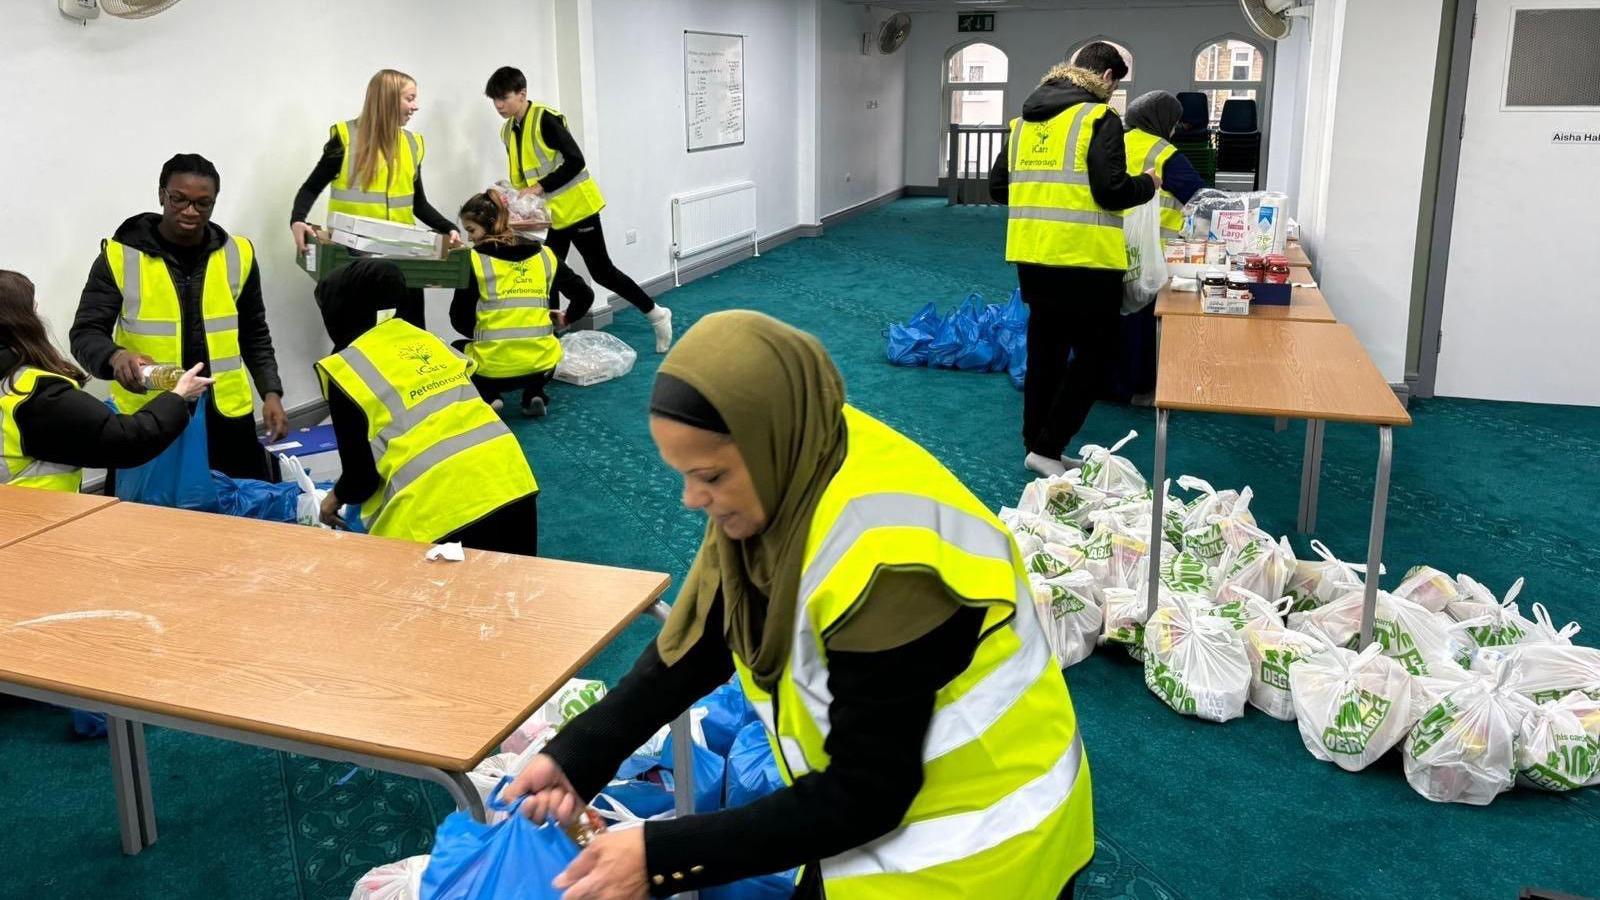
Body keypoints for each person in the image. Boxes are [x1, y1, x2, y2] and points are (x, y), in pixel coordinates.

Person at [504, 311, 1093, 900]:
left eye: (707, 475)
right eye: (683, 475)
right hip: (881, 830)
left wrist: (662, 857)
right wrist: (580, 752)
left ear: (766, 441)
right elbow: (715, 632)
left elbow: (867, 794)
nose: (690, 499)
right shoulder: (789, 459)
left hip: (982, 850)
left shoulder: (889, 563)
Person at [989, 42, 1157, 478]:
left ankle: (1038, 448)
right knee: (1097, 357)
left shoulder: (1022, 121)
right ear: (1106, 78)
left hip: (1033, 255)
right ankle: (1050, 444)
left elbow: (997, 189)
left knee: (1046, 352)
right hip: (1086, 260)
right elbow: (1112, 191)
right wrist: (1148, 184)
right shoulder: (1098, 117)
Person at [71, 153, 285, 482]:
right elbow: (85, 334)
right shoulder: (119, 257)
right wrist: (116, 357)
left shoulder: (237, 255)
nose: (189, 211)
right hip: (151, 415)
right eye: (179, 199)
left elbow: (254, 331)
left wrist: (271, 392)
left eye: (203, 204)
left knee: (236, 515)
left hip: (224, 415)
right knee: (147, 519)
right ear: (161, 195)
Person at [312, 259, 539, 555]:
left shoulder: (346, 371)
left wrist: (333, 499)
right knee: (518, 594)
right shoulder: (429, 342)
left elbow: (361, 481)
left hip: (436, 515)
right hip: (512, 485)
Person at [484, 65, 674, 353]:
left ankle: (656, 314)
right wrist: (512, 196)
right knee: (548, 275)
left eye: (503, 98)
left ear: (522, 94)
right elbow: (524, 176)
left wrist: (539, 187)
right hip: (550, 217)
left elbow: (576, 161)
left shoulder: (544, 119)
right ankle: (552, 342)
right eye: (494, 100)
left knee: (602, 272)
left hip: (578, 209)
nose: (498, 105)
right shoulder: (508, 130)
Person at [2, 270, 212, 492]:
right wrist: (177, 397)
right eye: (33, 309)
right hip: (33, 517)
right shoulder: (34, 394)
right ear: (22, 321)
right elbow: (125, 441)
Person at [290, 69, 462, 326]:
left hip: (405, 261)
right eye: (410, 98)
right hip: (355, 263)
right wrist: (297, 220)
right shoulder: (346, 139)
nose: (416, 106)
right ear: (388, 99)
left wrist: (449, 228)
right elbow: (311, 188)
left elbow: (418, 204)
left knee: (411, 338)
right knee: (359, 340)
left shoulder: (413, 144)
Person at [452, 190, 596, 417]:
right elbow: (585, 296)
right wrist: (566, 318)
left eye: (471, 230)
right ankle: (534, 394)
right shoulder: (546, 255)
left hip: (491, 369)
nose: (469, 238)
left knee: (456, 348)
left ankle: (490, 395)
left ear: (490, 224)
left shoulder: (473, 259)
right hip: (541, 365)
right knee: (548, 340)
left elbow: (459, 320)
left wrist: (488, 331)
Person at [1111, 91, 1208, 405]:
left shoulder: (1114, 143)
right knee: (1140, 318)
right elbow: (1200, 198)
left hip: (1107, 242)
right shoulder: (1164, 152)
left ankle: (1106, 384)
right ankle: (1138, 388)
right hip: (1149, 250)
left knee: (1110, 315)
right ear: (1164, 121)